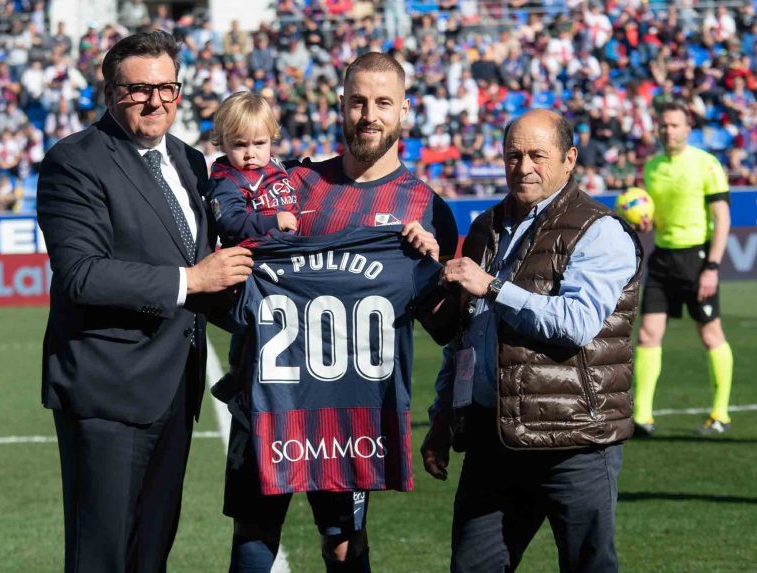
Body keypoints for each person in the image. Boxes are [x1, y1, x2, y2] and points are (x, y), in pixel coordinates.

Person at [224, 52, 458, 573]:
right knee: (254, 533)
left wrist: (433, 264)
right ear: (341, 105)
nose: (368, 114)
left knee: (343, 544)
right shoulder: (294, 184)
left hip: (346, 411)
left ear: (404, 110)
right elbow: (232, 237)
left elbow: (445, 326)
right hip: (270, 396)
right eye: (357, 101)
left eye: (381, 103)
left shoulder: (426, 208)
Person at [36, 31, 253, 573]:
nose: (155, 101)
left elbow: (211, 271)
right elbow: (81, 275)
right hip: (108, 392)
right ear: (110, 93)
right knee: (101, 560)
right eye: (137, 90)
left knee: (149, 556)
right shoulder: (74, 160)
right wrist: (190, 280)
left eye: (167, 88)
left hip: (175, 390)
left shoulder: (189, 160)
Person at [421, 109, 642, 573]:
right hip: (492, 439)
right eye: (513, 155)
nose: (524, 167)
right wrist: (444, 415)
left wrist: (494, 287)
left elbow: (575, 324)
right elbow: (468, 337)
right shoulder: (485, 227)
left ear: (569, 159)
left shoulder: (599, 229)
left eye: (538, 155)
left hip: (574, 442)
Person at [633, 102, 734, 435]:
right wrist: (646, 222)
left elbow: (722, 220)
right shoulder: (652, 166)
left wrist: (712, 267)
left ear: (687, 128)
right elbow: (655, 214)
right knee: (648, 334)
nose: (668, 131)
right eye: (663, 125)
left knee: (709, 334)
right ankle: (641, 418)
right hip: (662, 258)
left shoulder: (707, 164)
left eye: (674, 125)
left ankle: (720, 413)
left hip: (698, 259)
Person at [204, 91, 300, 403]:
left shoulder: (278, 168)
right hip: (252, 265)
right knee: (252, 318)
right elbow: (230, 222)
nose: (250, 154)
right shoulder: (225, 181)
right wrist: (273, 221)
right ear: (221, 142)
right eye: (239, 145)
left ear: (272, 138)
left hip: (287, 263)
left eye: (258, 144)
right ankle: (237, 373)